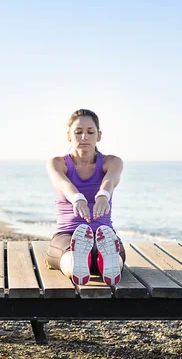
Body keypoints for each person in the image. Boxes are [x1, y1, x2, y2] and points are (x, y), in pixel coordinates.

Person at [45, 109, 126, 286]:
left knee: (65, 257)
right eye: (78, 132)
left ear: (99, 135)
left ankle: (91, 263)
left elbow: (110, 180)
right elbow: (63, 183)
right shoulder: (58, 163)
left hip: (103, 234)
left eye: (90, 132)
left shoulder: (111, 162)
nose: (84, 137)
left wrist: (103, 196)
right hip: (68, 232)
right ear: (69, 135)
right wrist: (77, 198)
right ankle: (93, 263)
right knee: (68, 252)